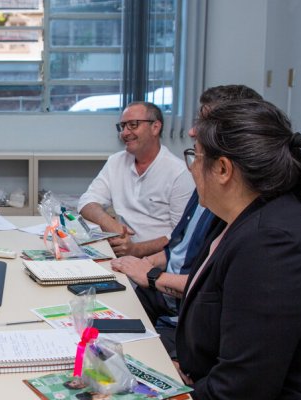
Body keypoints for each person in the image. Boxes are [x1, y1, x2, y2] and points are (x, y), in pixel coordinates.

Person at [175, 99, 301, 398]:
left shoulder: (271, 245)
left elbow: (241, 390)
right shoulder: (240, 219)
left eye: (196, 156)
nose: (192, 169)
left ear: (222, 168)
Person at [110, 85, 263, 356]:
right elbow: (175, 247)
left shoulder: (248, 223)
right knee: (92, 326)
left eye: (204, 123)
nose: (192, 131)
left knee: (110, 358)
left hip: (182, 316)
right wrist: (139, 263)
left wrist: (151, 275)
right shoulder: (204, 187)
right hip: (162, 297)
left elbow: (209, 288)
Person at [78, 101, 194, 257]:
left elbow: (181, 234)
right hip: (119, 254)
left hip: (157, 262)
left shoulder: (180, 173)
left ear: (155, 127)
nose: (125, 133)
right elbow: (86, 202)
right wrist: (112, 225)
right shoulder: (116, 162)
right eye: (123, 126)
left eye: (133, 125)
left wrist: (136, 250)